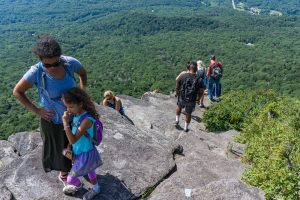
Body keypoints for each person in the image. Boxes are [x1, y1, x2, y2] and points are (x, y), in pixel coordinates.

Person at [12, 35, 87, 185]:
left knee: (76, 145)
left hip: (75, 117)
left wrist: (82, 93)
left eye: (56, 62)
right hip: (54, 120)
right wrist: (37, 110)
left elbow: (83, 74)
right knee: (60, 150)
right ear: (41, 60)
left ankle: (77, 167)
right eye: (48, 65)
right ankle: (64, 174)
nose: (53, 67)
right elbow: (17, 91)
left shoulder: (69, 64)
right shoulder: (36, 72)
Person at [61, 87, 102, 199]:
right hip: (80, 151)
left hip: (85, 153)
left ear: (80, 104)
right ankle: (96, 187)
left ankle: (78, 186)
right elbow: (73, 136)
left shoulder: (86, 120)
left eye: (71, 107)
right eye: (66, 106)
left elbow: (73, 138)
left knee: (70, 179)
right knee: (90, 169)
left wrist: (65, 123)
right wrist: (70, 147)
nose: (68, 110)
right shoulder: (76, 115)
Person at [175, 61, 203, 132]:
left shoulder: (183, 76)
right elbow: (201, 91)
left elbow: (177, 85)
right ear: (196, 69)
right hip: (192, 99)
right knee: (188, 113)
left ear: (189, 68)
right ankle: (185, 128)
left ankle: (177, 120)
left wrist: (177, 93)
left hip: (182, 96)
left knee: (179, 107)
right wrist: (198, 99)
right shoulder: (199, 79)